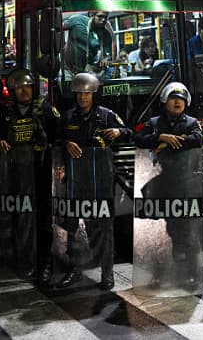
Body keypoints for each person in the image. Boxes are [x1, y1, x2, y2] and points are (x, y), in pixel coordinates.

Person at [58, 72, 131, 290]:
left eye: (86, 94)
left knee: (104, 229)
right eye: (79, 94)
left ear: (94, 95)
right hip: (75, 181)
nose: (82, 98)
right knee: (72, 226)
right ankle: (74, 269)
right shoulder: (68, 117)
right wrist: (65, 144)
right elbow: (54, 139)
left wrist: (118, 131)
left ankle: (107, 274)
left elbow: (128, 133)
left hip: (101, 181)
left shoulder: (107, 115)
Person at [0, 68, 60, 281]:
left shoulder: (45, 110)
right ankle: (12, 259)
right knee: (13, 217)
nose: (23, 91)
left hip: (40, 176)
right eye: (18, 88)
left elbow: (59, 136)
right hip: (12, 177)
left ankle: (44, 263)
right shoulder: (1, 112)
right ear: (11, 90)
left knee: (43, 221)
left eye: (27, 86)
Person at [133, 81, 203, 290]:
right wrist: (159, 137)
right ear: (165, 101)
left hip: (184, 184)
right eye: (173, 98)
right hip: (160, 185)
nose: (177, 102)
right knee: (157, 232)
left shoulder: (191, 123)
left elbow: (197, 139)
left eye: (181, 99)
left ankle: (189, 275)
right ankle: (158, 274)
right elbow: (138, 138)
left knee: (184, 232)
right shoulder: (154, 122)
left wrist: (170, 141)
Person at [63, 11, 114, 77]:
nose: (103, 19)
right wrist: (59, 47)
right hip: (68, 69)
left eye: (105, 17)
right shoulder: (77, 20)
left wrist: (106, 58)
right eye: (100, 16)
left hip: (87, 71)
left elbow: (108, 53)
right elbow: (58, 28)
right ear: (91, 15)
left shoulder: (105, 34)